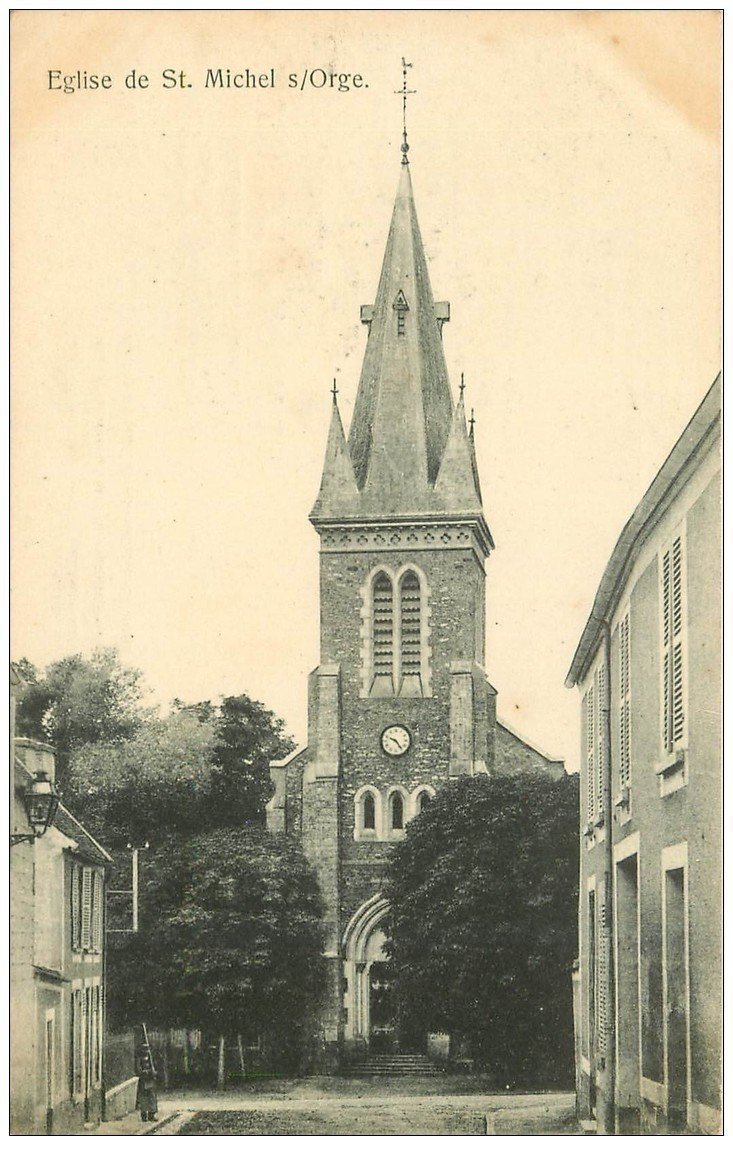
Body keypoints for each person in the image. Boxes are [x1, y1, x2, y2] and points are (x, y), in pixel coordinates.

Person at [135, 1044, 158, 1123]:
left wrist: (153, 1072)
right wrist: (146, 1072)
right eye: (145, 1049)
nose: (146, 1051)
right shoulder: (139, 1059)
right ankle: (144, 1116)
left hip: (150, 1081)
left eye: (147, 1049)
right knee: (144, 1099)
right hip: (144, 1081)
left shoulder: (151, 1059)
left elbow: (155, 1068)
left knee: (152, 1098)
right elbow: (139, 1070)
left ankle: (151, 1115)